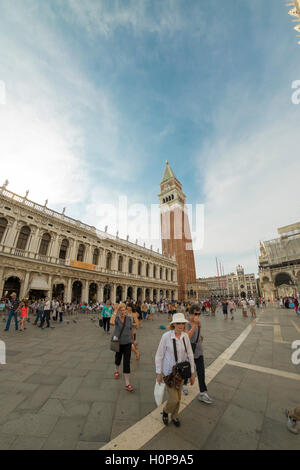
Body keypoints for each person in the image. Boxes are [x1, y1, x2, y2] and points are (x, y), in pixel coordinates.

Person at [155, 312, 195, 427]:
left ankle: (175, 416)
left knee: (179, 397)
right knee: (174, 399)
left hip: (181, 372)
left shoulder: (185, 336)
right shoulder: (166, 336)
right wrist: (158, 373)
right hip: (169, 373)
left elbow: (190, 354)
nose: (180, 326)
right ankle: (166, 411)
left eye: (182, 323)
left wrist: (192, 373)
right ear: (173, 324)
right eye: (178, 323)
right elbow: (159, 355)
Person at [182, 305, 213, 403]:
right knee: (187, 371)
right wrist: (194, 324)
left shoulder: (198, 322)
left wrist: (198, 324)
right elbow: (188, 336)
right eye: (195, 314)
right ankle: (184, 385)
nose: (197, 316)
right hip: (188, 351)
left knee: (201, 372)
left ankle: (203, 393)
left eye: (199, 314)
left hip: (198, 350)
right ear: (190, 314)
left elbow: (199, 333)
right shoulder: (186, 324)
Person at [110, 303, 135, 391]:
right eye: (121, 310)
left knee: (126, 362)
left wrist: (133, 340)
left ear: (126, 310)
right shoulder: (116, 319)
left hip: (127, 343)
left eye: (124, 310)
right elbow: (111, 323)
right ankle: (117, 370)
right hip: (118, 343)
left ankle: (127, 383)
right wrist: (115, 310)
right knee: (118, 358)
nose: (122, 312)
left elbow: (131, 329)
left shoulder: (129, 319)